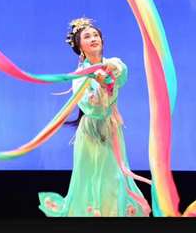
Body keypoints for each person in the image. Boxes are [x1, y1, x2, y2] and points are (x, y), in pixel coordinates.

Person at [38, 17, 151, 217]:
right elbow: (93, 108)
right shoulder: (80, 76)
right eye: (87, 37)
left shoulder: (112, 64)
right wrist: (100, 83)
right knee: (92, 177)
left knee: (115, 175)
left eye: (96, 35)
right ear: (80, 47)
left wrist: (107, 74)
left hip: (111, 127)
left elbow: (122, 74)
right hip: (91, 130)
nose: (93, 39)